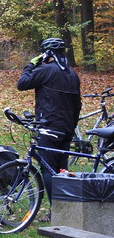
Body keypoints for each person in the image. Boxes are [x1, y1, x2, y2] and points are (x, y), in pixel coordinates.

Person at [17, 37, 81, 201]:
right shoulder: (72, 74)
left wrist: (31, 65)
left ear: (47, 53)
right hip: (66, 129)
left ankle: (56, 210)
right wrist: (72, 127)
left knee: (48, 170)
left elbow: (22, 83)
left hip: (48, 128)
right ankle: (66, 207)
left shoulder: (46, 71)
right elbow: (77, 104)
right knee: (62, 170)